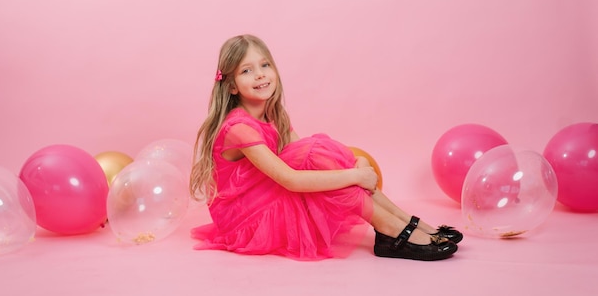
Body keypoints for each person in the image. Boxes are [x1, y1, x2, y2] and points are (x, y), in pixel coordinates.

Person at [189, 34, 462, 261]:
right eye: (247, 71)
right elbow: (291, 179)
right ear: (232, 86)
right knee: (316, 157)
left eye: (265, 65)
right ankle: (391, 229)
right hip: (244, 218)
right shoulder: (239, 127)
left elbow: (305, 155)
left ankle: (403, 222)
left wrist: (352, 162)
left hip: (266, 195)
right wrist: (355, 175)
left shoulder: (271, 114)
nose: (260, 75)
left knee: (315, 153)